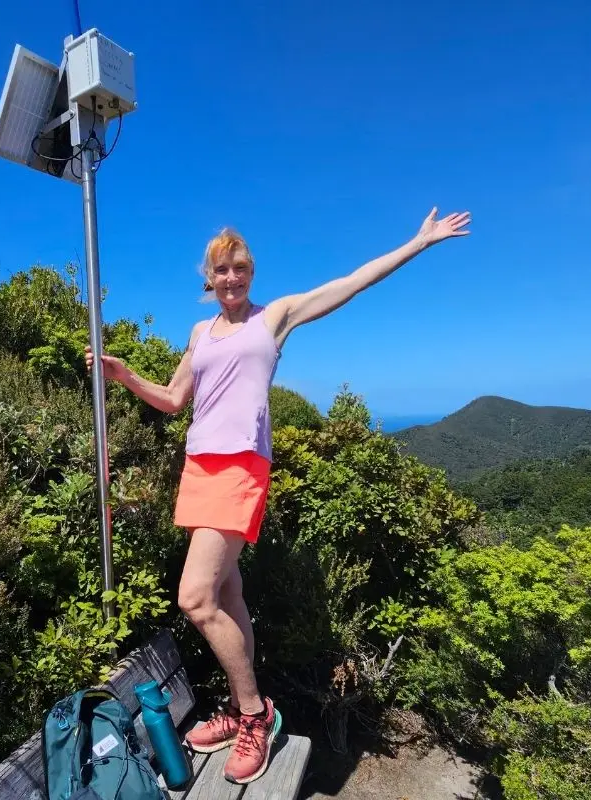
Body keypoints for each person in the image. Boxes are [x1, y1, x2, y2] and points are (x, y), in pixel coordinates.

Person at [84, 206, 471, 784]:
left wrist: (417, 243)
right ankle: (245, 704)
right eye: (222, 270)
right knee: (228, 592)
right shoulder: (199, 333)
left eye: (240, 268)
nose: (232, 278)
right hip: (200, 469)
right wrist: (123, 376)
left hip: (243, 469)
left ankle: (253, 716)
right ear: (208, 279)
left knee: (195, 599)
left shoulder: (276, 318)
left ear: (251, 273)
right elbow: (172, 399)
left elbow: (349, 284)